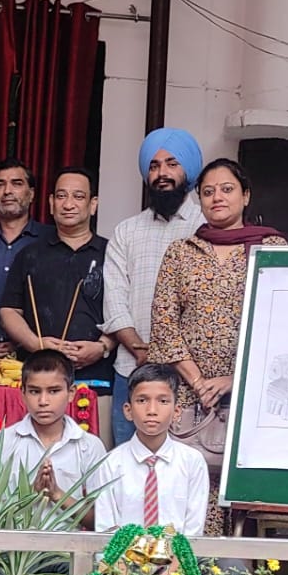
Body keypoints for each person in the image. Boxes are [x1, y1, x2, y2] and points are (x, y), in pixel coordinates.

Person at [149, 158, 287, 525]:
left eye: (227, 189)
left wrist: (234, 381)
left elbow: (282, 327)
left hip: (253, 397)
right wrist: (198, 382)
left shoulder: (273, 248)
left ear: (245, 196)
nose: (217, 198)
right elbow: (163, 323)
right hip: (190, 397)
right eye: (208, 192)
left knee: (245, 506)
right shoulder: (182, 252)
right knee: (185, 498)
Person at [102, 127, 205, 445]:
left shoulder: (205, 227)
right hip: (131, 368)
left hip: (190, 373)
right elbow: (115, 298)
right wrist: (138, 348)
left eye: (172, 164)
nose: (162, 173)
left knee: (183, 466)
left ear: (188, 170)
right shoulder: (126, 231)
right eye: (154, 165)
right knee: (127, 468)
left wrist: (169, 355)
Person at [0, 167, 115, 390]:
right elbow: (9, 310)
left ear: (93, 204)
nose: (68, 204)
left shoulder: (111, 253)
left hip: (96, 379)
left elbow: (125, 312)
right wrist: (36, 344)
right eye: (61, 196)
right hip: (39, 379)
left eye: (78, 197)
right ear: (51, 203)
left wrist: (102, 347)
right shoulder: (29, 254)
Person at [75, 364, 208, 536]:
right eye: (142, 400)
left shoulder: (192, 462)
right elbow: (106, 528)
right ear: (128, 411)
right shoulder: (111, 464)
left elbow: (194, 530)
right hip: (122, 560)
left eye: (163, 401)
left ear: (176, 412)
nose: (152, 410)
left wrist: (178, 562)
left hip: (180, 560)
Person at [0, 349, 108, 517]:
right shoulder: (0, 442)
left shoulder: (89, 446)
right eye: (34, 391)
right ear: (23, 393)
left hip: (68, 542)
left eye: (54, 391)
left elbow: (100, 520)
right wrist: (31, 495)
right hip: (15, 542)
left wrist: (57, 494)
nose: (43, 401)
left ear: (71, 394)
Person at [0, 159, 49, 360]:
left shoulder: (50, 241)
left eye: (16, 183)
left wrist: (25, 340)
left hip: (32, 358)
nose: (7, 191)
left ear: (31, 194)